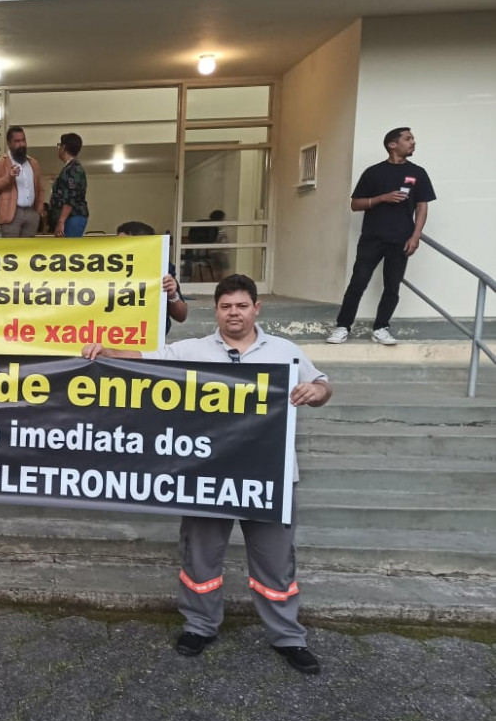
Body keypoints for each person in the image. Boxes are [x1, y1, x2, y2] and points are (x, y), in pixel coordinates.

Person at [83, 274, 332, 675]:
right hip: (207, 476)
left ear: (256, 308)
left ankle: (288, 636)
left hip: (269, 477)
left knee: (275, 562)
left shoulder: (285, 350)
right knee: (200, 557)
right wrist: (106, 352)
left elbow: (321, 385)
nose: (234, 313)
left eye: (242, 306)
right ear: (216, 310)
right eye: (225, 306)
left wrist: (316, 392)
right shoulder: (192, 350)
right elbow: (147, 358)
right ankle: (199, 626)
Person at [328, 128, 435, 346]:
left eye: (412, 139)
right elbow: (355, 204)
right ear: (392, 145)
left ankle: (381, 328)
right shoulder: (373, 172)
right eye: (408, 139)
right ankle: (342, 326)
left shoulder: (418, 173)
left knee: (392, 286)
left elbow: (422, 207)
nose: (413, 142)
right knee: (358, 283)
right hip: (372, 238)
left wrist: (415, 236)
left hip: (401, 239)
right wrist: (381, 198)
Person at [117, 221, 188, 334]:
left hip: (149, 338)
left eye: (131, 246)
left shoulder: (161, 268)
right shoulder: (102, 269)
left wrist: (172, 296)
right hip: (111, 336)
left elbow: (181, 316)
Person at [0, 126, 46, 238]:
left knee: (29, 248)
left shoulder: (33, 163)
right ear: (9, 143)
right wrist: (8, 177)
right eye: (17, 141)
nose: (21, 144)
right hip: (11, 213)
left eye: (23, 140)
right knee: (11, 247)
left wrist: (40, 207)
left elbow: (40, 188)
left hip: (32, 213)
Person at [50, 133, 89, 238]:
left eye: (59, 145)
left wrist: (61, 221)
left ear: (63, 147)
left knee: (68, 246)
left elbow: (70, 197)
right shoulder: (72, 168)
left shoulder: (72, 169)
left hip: (72, 217)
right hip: (71, 216)